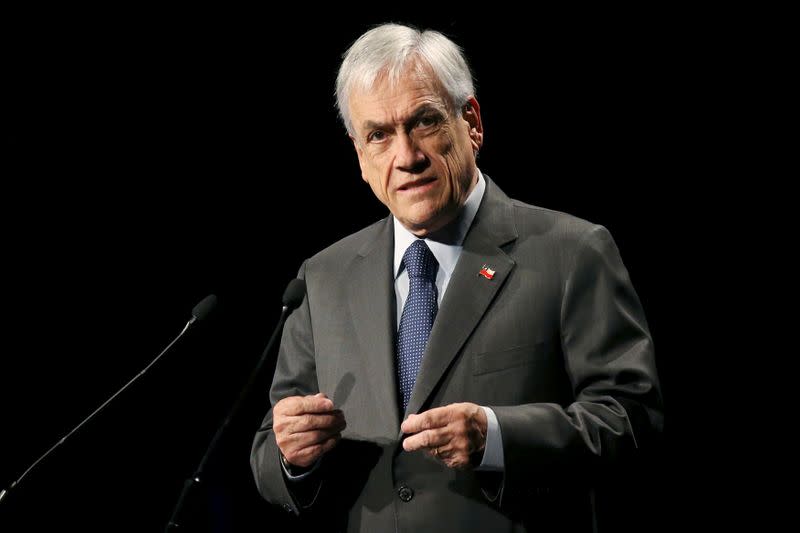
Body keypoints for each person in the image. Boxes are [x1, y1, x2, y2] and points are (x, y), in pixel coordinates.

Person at [251, 22, 663, 533]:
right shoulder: (322, 277)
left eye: (423, 122)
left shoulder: (571, 252)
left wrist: (496, 436)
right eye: (378, 135)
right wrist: (293, 457)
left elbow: (633, 419)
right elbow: (270, 455)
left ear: (471, 122)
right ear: (359, 155)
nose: (406, 157)